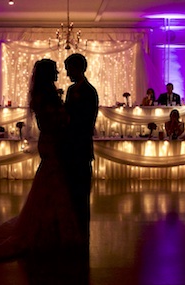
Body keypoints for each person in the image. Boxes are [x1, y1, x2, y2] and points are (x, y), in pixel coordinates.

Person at [0, 59, 83, 261]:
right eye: (54, 71)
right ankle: (51, 231)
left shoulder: (43, 93)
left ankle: (49, 228)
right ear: (47, 74)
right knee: (53, 185)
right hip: (53, 142)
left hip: (49, 141)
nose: (57, 74)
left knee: (49, 186)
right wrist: (68, 117)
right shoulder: (46, 95)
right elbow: (55, 120)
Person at [64, 53, 99, 244]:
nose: (68, 73)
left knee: (82, 190)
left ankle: (82, 232)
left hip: (81, 146)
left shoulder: (89, 91)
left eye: (70, 68)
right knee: (71, 190)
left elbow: (86, 121)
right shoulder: (71, 90)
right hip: (71, 147)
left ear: (79, 68)